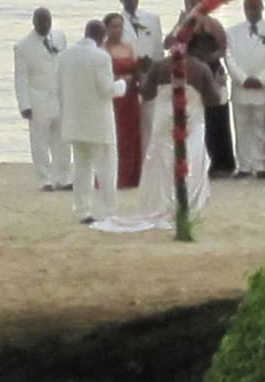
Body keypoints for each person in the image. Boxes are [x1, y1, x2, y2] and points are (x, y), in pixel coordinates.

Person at [91, 33, 222, 233]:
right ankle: (186, 205)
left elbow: (146, 93)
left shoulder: (160, 66)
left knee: (161, 162)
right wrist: (218, 83)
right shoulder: (201, 68)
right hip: (191, 122)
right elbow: (214, 99)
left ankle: (159, 204)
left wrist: (142, 75)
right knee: (191, 160)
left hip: (163, 121)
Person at [57, 20, 127, 224]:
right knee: (106, 170)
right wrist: (123, 85)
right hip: (99, 123)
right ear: (102, 36)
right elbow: (106, 89)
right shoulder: (101, 57)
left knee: (81, 168)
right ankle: (108, 211)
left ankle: (82, 210)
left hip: (75, 121)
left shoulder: (65, 56)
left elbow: (59, 88)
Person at [165, 0, 236, 177]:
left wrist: (205, 61)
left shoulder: (212, 24)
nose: (191, 7)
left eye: (194, 3)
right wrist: (179, 24)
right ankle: (194, 161)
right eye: (188, 3)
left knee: (215, 116)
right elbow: (168, 44)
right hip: (189, 72)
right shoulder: (183, 25)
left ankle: (221, 163)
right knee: (192, 116)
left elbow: (222, 49)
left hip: (210, 69)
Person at [13, 7, 73, 191]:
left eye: (48, 21)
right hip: (38, 98)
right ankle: (44, 179)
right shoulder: (23, 46)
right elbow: (21, 77)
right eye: (41, 21)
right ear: (34, 22)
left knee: (62, 140)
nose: (45, 25)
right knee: (39, 141)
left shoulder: (59, 37)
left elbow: (65, 64)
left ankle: (63, 177)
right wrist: (24, 104)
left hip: (60, 97)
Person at [225, 0, 265, 179]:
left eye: (255, 7)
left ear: (262, 8)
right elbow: (229, 58)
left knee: (263, 126)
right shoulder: (232, 32)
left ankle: (261, 165)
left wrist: (263, 79)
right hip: (240, 88)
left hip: (263, 87)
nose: (252, 11)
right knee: (241, 126)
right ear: (244, 9)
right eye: (248, 8)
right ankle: (244, 165)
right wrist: (242, 79)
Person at [118, 0, 164, 157]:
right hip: (128, 78)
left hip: (150, 77)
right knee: (128, 124)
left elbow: (158, 50)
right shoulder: (116, 22)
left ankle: (147, 161)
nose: (131, 1)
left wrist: (156, 75)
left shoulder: (152, 19)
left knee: (150, 123)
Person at [102, 12, 142, 188]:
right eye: (114, 27)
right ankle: (115, 176)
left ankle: (132, 176)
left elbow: (136, 70)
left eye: (120, 26)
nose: (117, 30)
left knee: (132, 134)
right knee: (116, 134)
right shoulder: (102, 49)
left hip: (130, 96)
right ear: (106, 29)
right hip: (114, 96)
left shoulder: (128, 47)